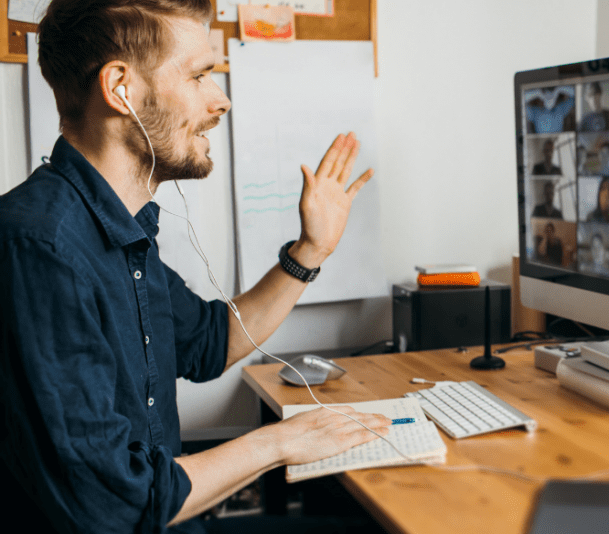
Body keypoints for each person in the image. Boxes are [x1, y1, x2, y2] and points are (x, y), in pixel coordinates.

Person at [0, 2, 391, 532]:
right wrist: (281, 442)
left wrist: (310, 251)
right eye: (200, 74)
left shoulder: (117, 227)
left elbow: (210, 342)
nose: (221, 99)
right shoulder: (41, 246)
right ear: (121, 89)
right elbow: (116, 505)